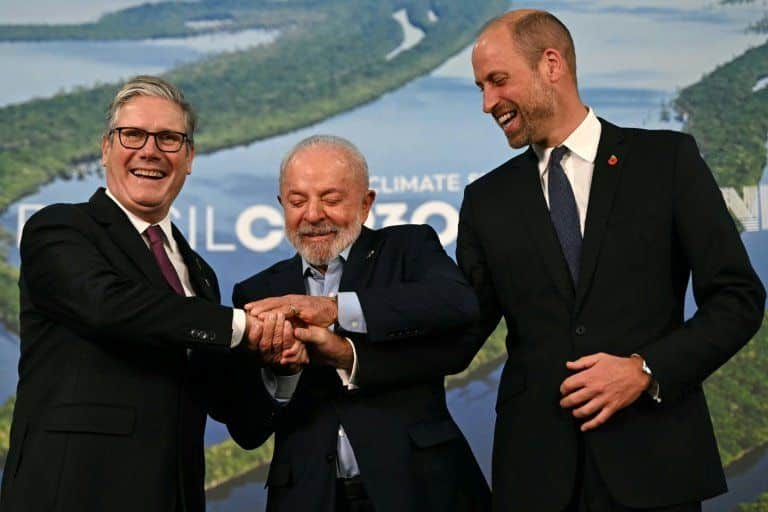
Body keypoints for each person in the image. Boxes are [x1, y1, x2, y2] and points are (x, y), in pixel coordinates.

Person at [458, 10, 766, 512]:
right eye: (480, 88)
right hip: (536, 480)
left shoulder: (667, 161)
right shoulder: (486, 201)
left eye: (497, 81)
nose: (488, 103)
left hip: (654, 467)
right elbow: (458, 332)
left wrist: (646, 369)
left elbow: (738, 299)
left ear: (551, 64)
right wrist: (349, 337)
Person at [0, 75, 278, 512]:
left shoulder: (199, 274)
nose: (150, 151)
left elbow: (241, 419)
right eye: (132, 134)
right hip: (73, 496)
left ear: (189, 158)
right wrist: (242, 325)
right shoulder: (59, 229)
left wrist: (281, 363)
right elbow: (107, 306)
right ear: (106, 148)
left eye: (169, 138)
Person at [228, 135, 491, 512]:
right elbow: (246, 430)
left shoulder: (408, 248)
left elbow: (457, 303)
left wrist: (335, 309)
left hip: (421, 488)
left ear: (366, 204)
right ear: (281, 205)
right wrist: (282, 376)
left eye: (331, 199)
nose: (313, 215)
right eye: (297, 201)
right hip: (307, 497)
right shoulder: (257, 293)